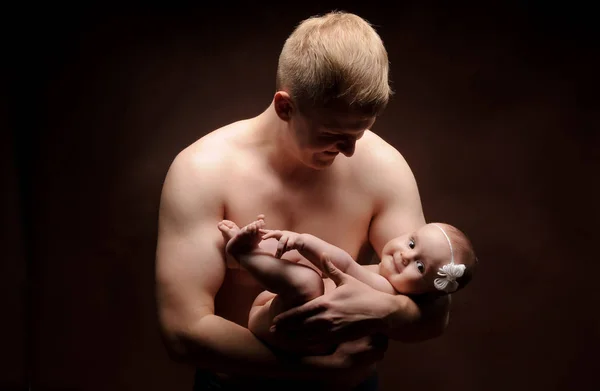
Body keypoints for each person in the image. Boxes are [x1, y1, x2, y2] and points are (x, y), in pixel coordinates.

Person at [155, 10, 452, 391]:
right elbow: (183, 332)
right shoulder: (203, 171)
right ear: (285, 107)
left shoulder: (384, 168)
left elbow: (434, 312)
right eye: (331, 133)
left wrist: (384, 307)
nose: (348, 150)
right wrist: (323, 371)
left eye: (360, 132)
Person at [217, 217, 477, 355]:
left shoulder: (386, 290)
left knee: (306, 280)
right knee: (298, 262)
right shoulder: (381, 276)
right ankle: (256, 250)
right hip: (279, 311)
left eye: (420, 267)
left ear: (428, 292)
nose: (405, 256)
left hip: (290, 332)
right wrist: (296, 246)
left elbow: (341, 262)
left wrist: (303, 240)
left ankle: (244, 255)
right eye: (411, 243)